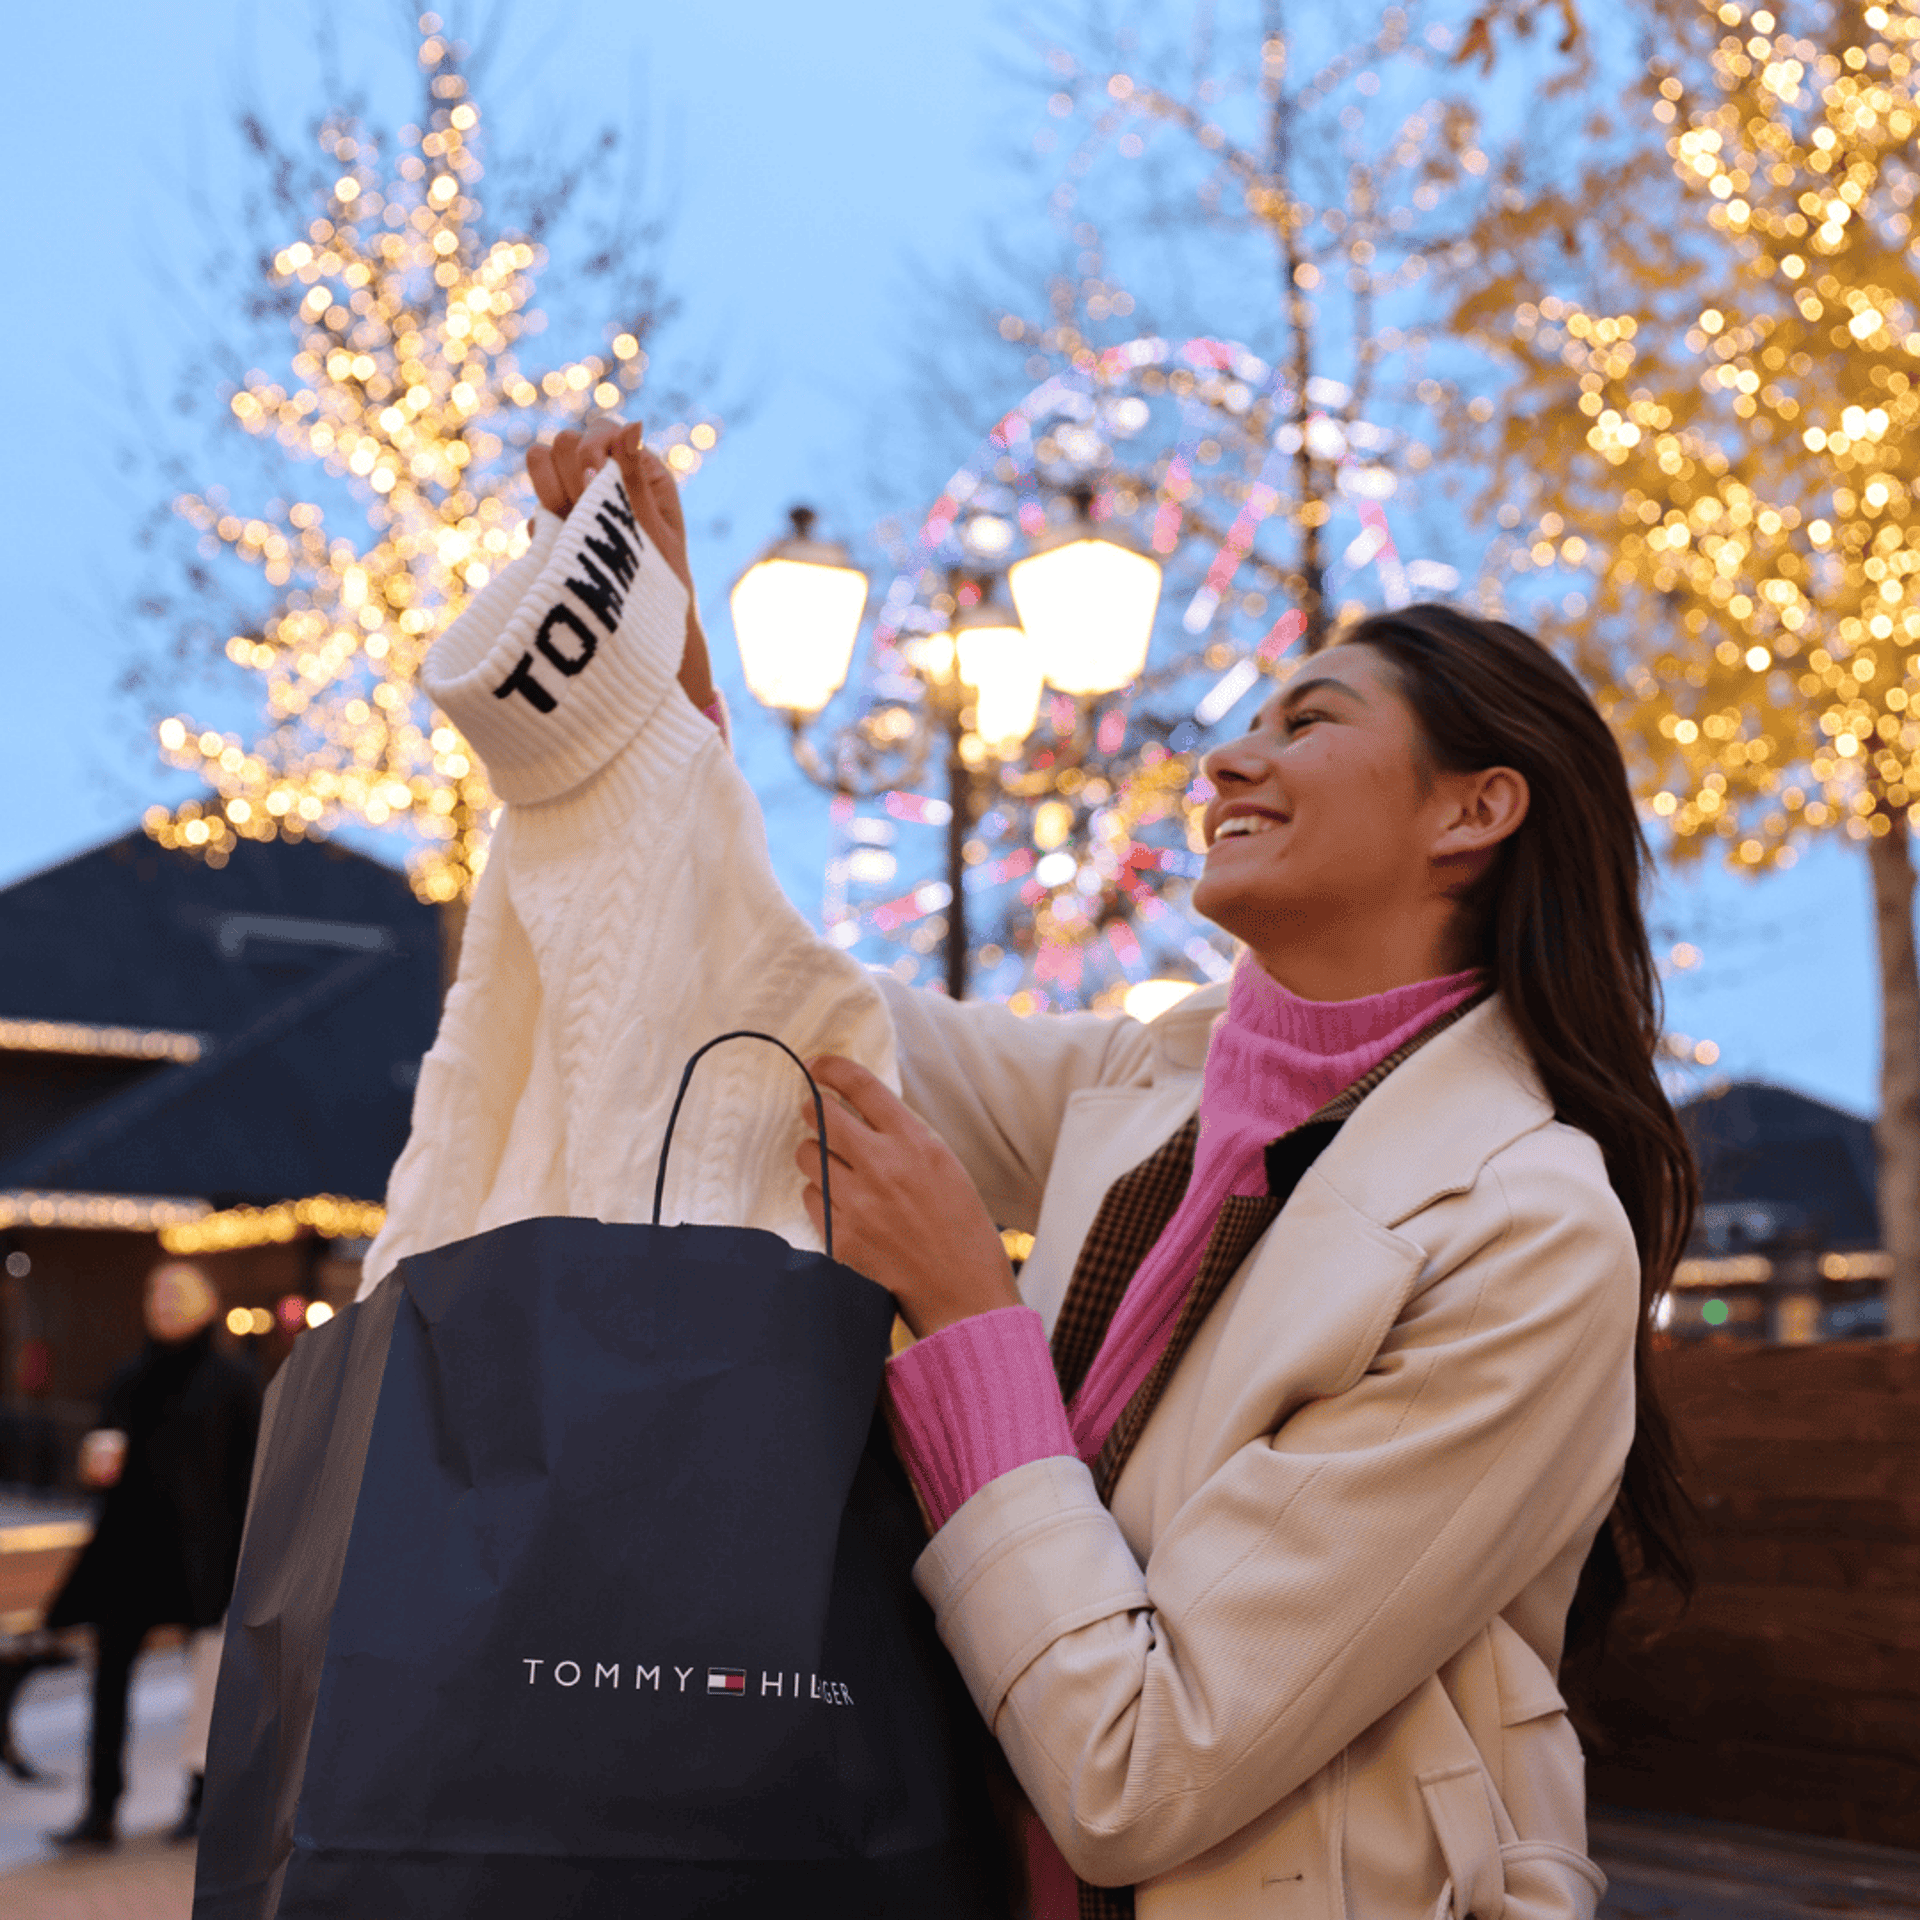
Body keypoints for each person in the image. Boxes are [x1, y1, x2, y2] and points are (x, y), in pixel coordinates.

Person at [376, 422, 1694, 1920]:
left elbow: (1145, 1770)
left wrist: (965, 1307)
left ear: (1477, 809)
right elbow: (795, 1038)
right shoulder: (1157, 1080)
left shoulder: (1530, 1228)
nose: (1227, 756)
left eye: (1310, 720)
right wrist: (667, 697)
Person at [45, 1261, 261, 1848]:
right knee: (108, 1678)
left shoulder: (234, 1382)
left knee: (212, 1684)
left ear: (207, 1305)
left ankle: (201, 1800)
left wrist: (244, 1558)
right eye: (155, 1293)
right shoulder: (130, 1376)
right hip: (130, 1555)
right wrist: (94, 1468)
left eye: (176, 1294)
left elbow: (253, 1474)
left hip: (203, 1560)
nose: (162, 1303)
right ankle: (101, 1808)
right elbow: (101, 1450)